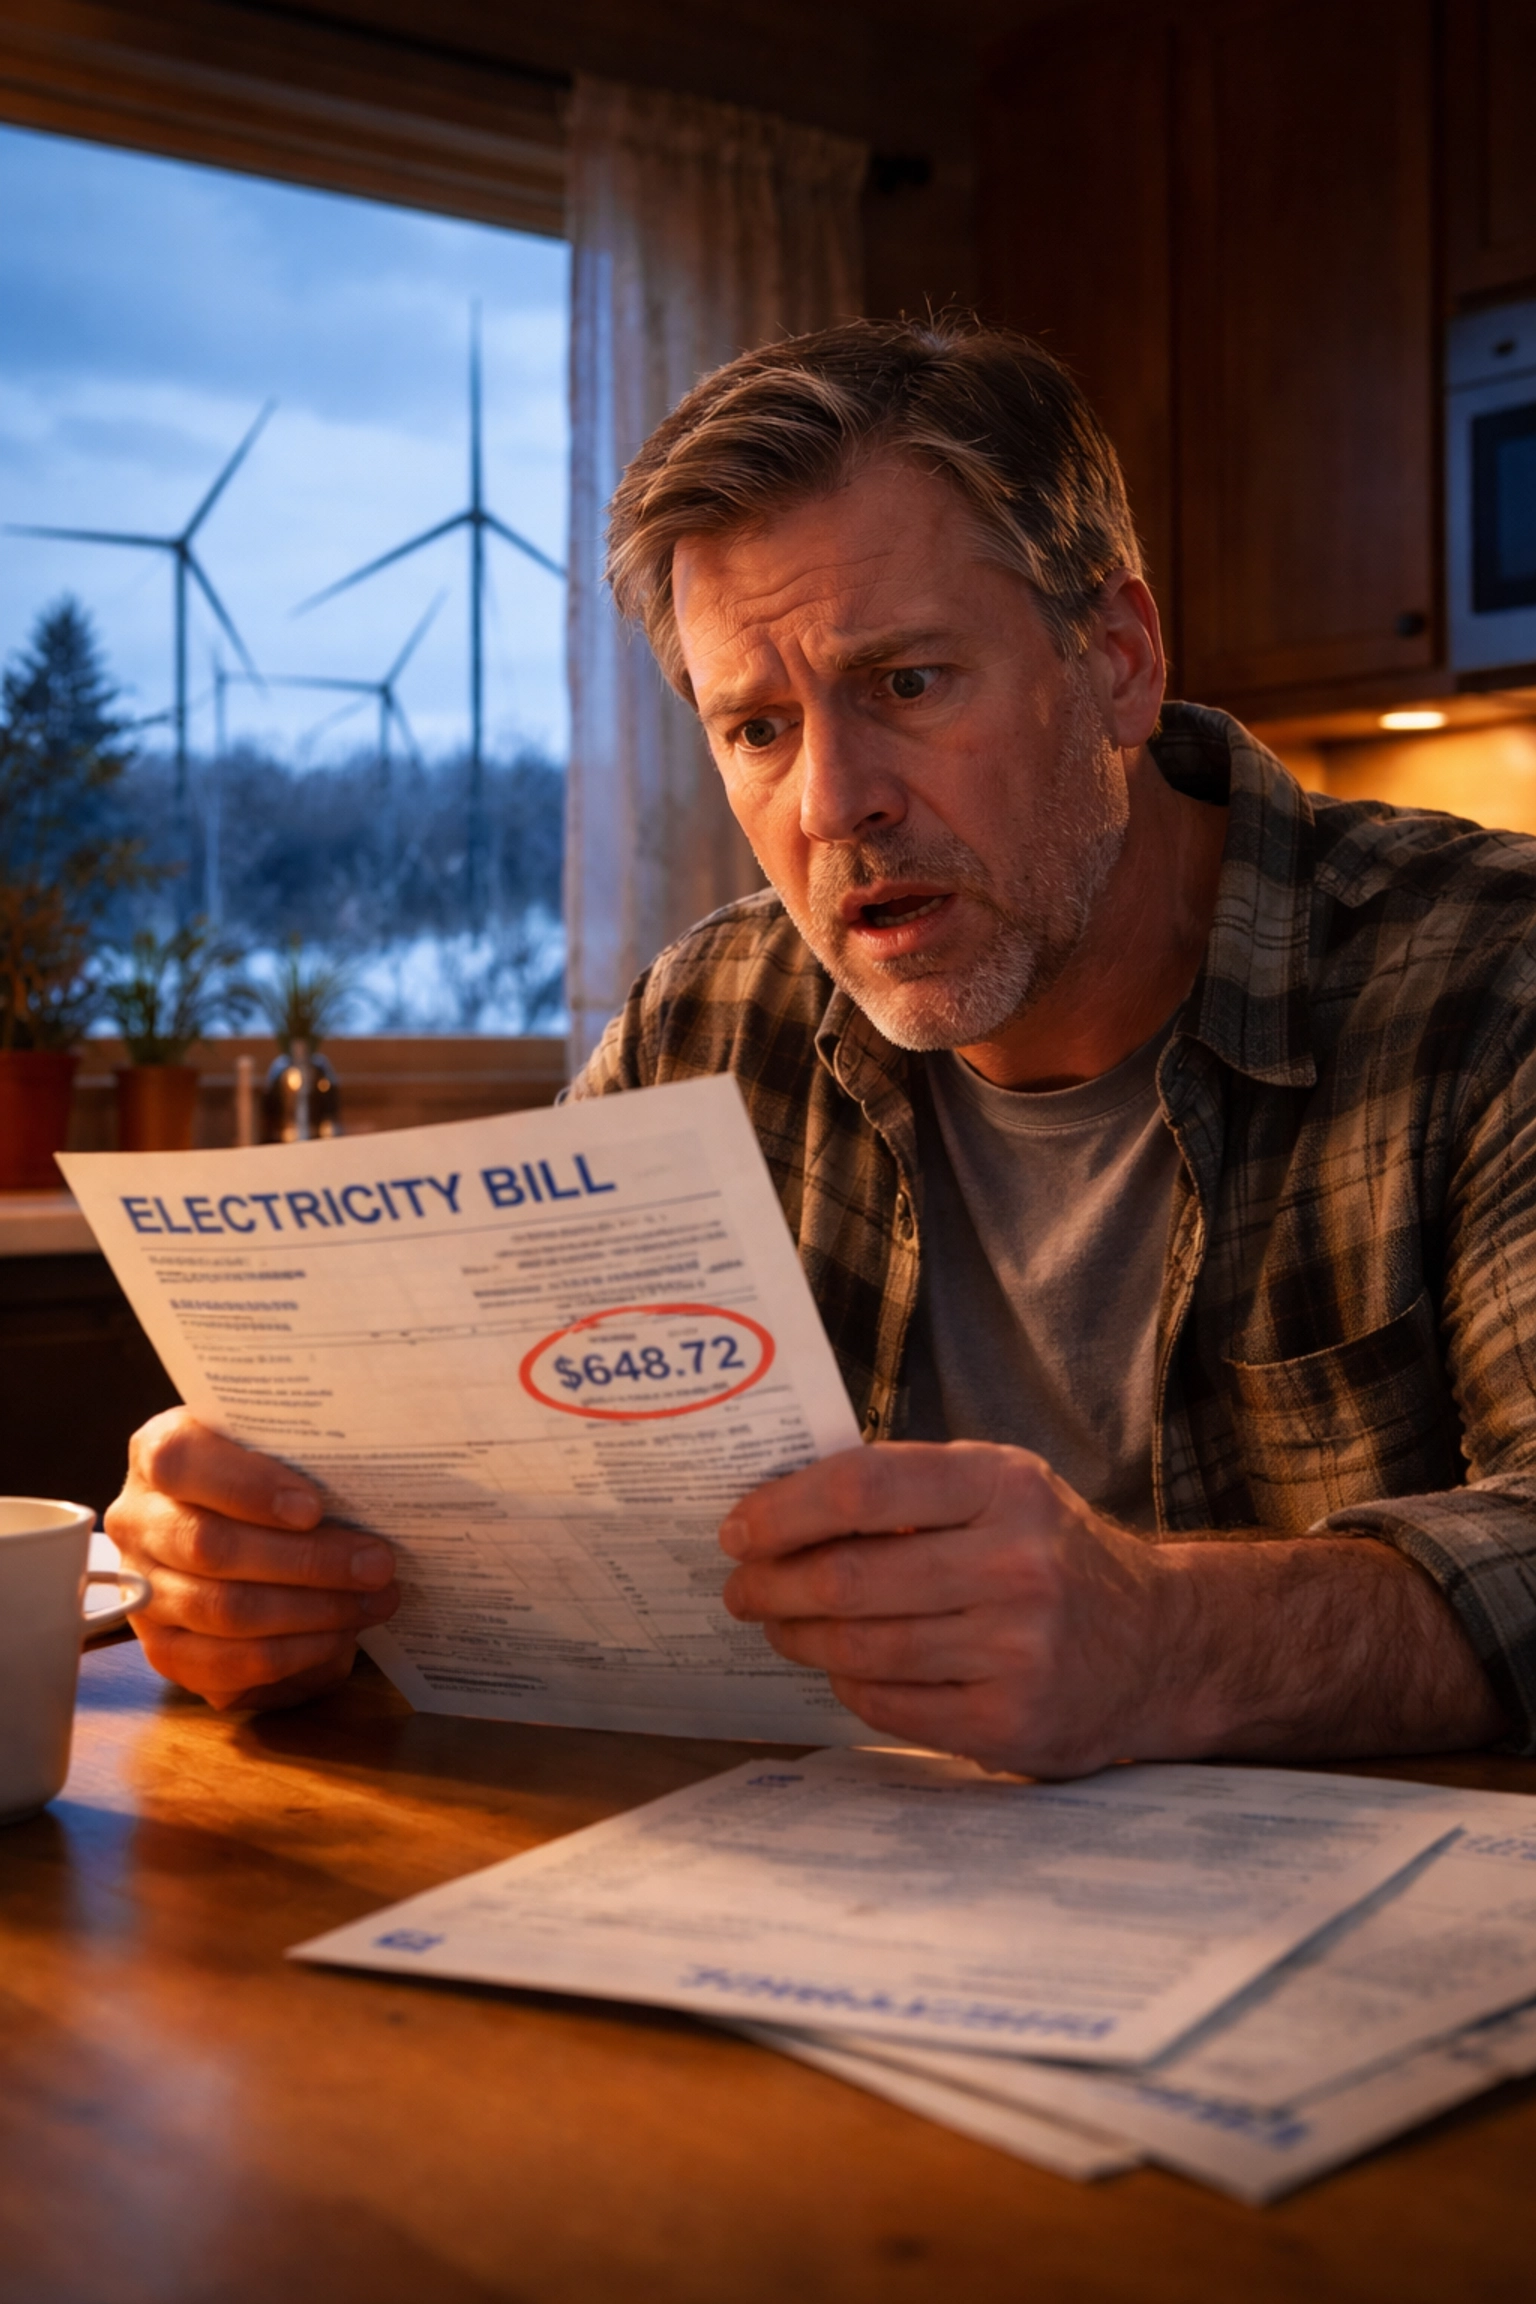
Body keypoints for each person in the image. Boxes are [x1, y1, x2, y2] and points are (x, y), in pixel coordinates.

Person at [108, 317, 1536, 1776]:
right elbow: (531, 1517)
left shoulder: (1491, 982)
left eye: (909, 684)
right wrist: (280, 1571)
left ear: (1115, 659)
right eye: (758, 730)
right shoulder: (706, 1019)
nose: (832, 803)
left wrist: (1165, 1635)